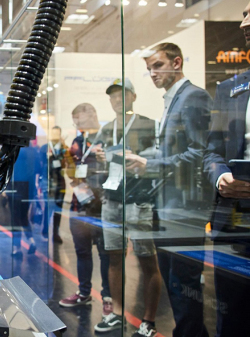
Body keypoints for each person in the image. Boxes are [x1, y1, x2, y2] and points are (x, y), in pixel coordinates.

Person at [128, 43, 212, 337]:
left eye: (158, 65)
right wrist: (143, 159)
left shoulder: (194, 97)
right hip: (168, 207)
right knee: (176, 284)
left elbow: (198, 155)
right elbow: (173, 150)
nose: (152, 73)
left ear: (177, 63)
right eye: (149, 68)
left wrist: (149, 165)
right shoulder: (172, 100)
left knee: (184, 285)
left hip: (185, 208)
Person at [92, 79, 161, 337]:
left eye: (122, 95)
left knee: (146, 259)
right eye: (112, 96)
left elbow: (158, 156)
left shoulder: (148, 124)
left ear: (133, 96)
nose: (117, 100)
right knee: (114, 257)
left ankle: (149, 321)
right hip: (112, 199)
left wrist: (139, 156)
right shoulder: (107, 128)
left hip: (138, 199)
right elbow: (100, 163)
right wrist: (100, 158)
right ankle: (118, 313)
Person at [203, 2, 250, 337]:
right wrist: (221, 175)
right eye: (243, 13)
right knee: (232, 316)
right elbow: (211, 151)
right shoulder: (227, 90)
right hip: (233, 219)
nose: (244, 21)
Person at [59, 103, 112, 317]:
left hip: (102, 206)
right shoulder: (77, 141)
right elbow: (72, 170)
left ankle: (109, 298)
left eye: (79, 120)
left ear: (92, 114)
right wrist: (69, 168)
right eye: (75, 121)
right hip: (79, 205)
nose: (77, 125)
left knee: (105, 253)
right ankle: (84, 293)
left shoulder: (107, 137)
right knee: (82, 252)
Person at [39, 126, 67, 243]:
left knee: (58, 209)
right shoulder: (45, 148)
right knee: (49, 208)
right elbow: (40, 165)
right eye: (53, 133)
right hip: (48, 181)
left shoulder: (63, 149)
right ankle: (45, 231)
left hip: (60, 181)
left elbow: (66, 165)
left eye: (57, 134)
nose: (55, 136)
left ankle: (56, 233)